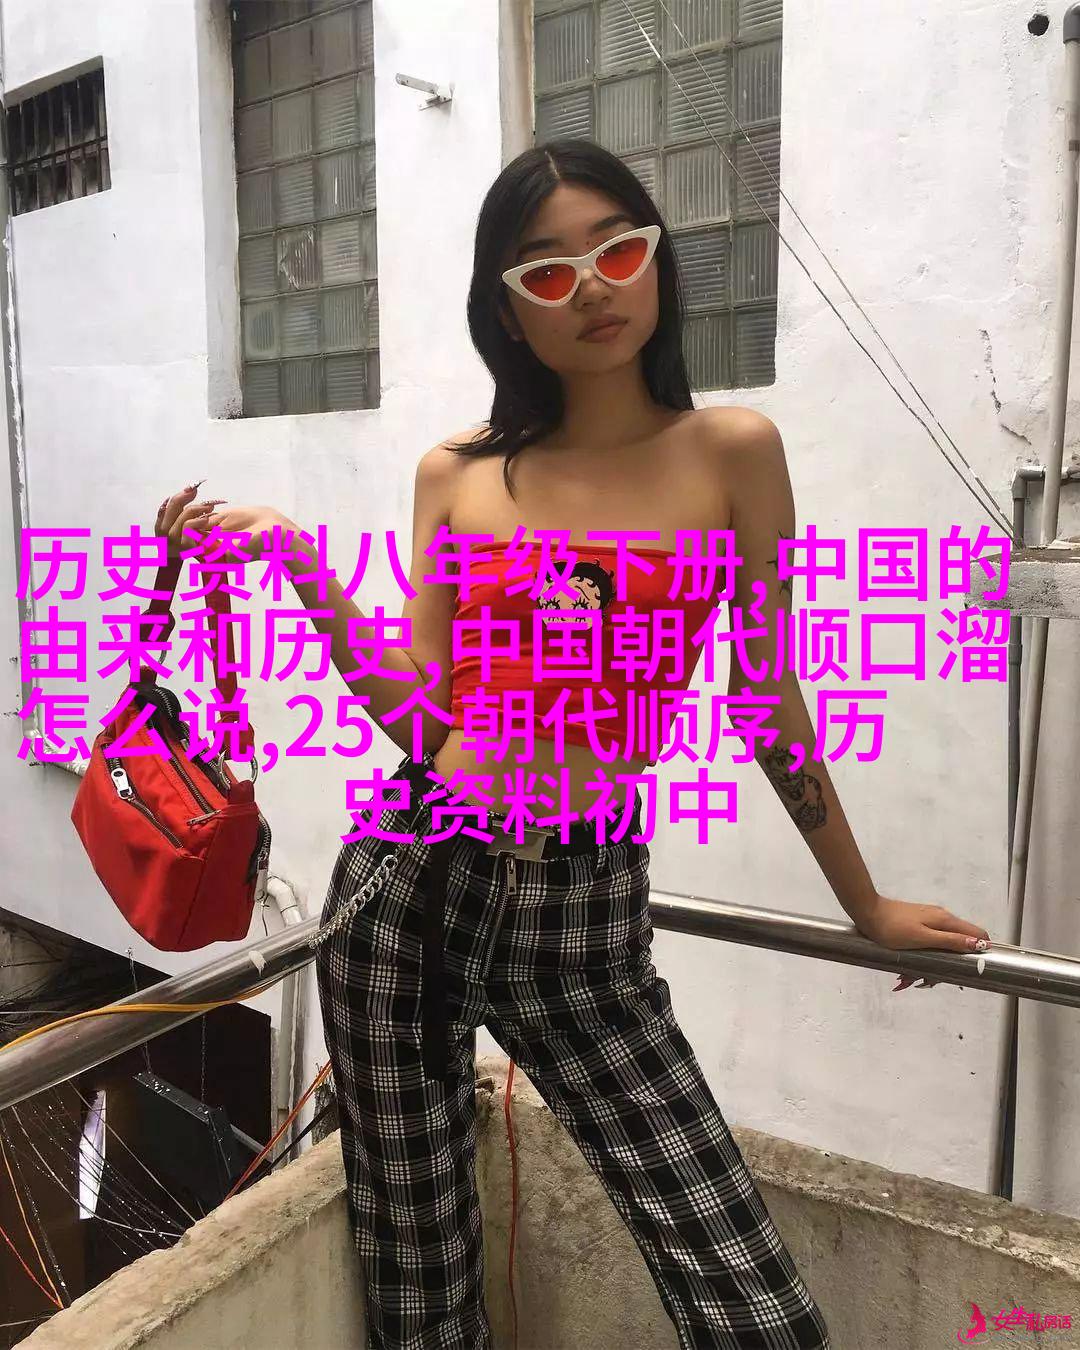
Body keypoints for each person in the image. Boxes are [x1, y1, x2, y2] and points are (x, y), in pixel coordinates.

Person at [157, 139, 991, 1349]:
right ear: (508, 310)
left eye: (617, 250)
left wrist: (863, 904)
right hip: (406, 885)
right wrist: (300, 567)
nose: (592, 286)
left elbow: (765, 697)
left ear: (659, 261)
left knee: (754, 1303)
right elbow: (425, 718)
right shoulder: (456, 474)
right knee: (419, 1271)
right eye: (546, 271)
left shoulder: (732, 453)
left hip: (583, 916)